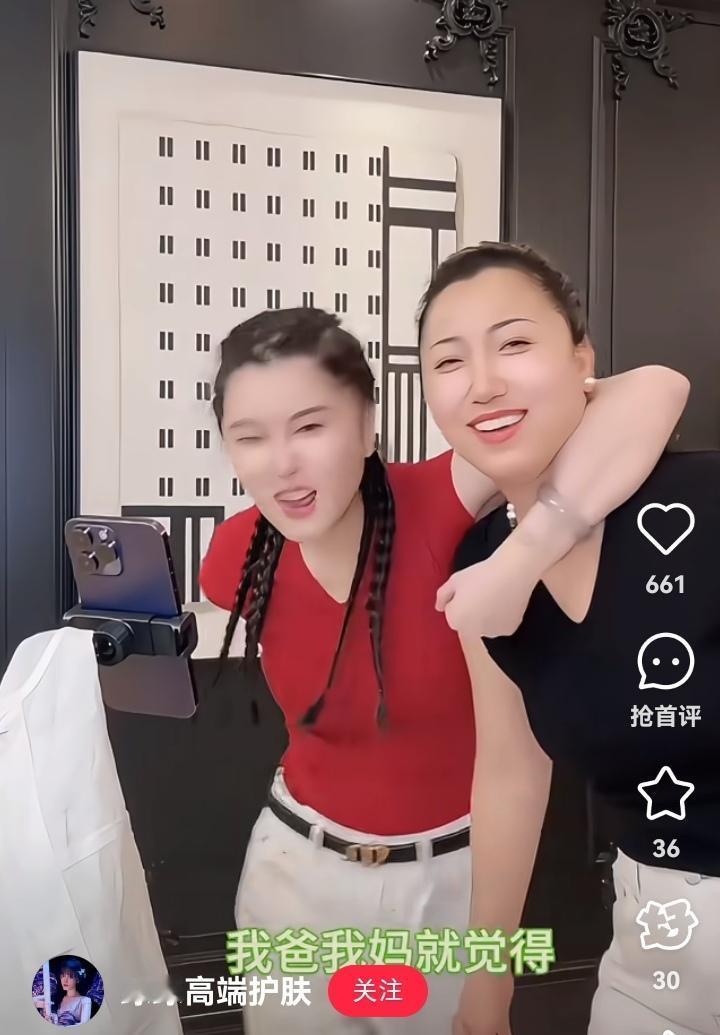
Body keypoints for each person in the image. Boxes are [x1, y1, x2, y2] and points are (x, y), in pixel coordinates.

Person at [200, 305, 687, 1034]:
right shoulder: (236, 558)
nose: (282, 465)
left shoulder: (440, 501)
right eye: (250, 438)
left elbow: (654, 389)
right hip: (293, 876)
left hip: (449, 888)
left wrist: (529, 551)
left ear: (367, 427)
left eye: (310, 426)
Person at [419, 241, 718, 1035]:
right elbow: (510, 771)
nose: (483, 382)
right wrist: (487, 977)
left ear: (582, 360)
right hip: (652, 944)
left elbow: (655, 385)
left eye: (515, 343)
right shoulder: (478, 567)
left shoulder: (702, 501)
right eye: (449, 361)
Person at [34, 958, 93, 1025]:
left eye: (70, 977)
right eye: (63, 976)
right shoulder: (60, 999)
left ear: (77, 980)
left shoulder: (85, 1000)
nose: (65, 980)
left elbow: (84, 1025)